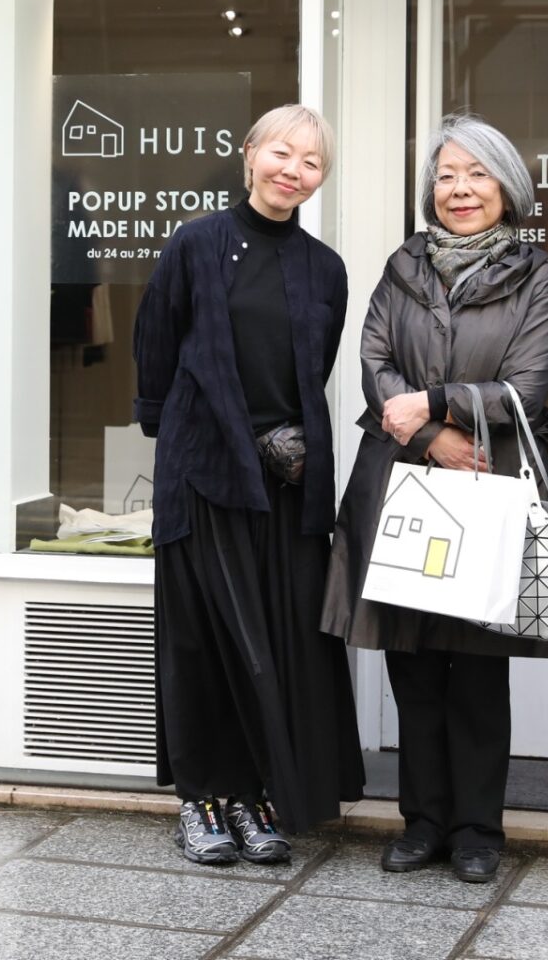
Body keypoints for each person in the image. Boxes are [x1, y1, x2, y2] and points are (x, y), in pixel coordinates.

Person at [322, 114, 548, 886]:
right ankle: (422, 821)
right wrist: (433, 437)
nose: (459, 189)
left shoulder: (538, 278)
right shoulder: (404, 265)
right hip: (406, 480)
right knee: (414, 664)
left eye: (476, 174)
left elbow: (526, 387)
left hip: (489, 485)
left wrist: (434, 403)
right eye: (446, 176)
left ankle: (477, 831)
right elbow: (374, 362)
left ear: (507, 188)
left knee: (478, 672)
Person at [134, 103, 364, 867]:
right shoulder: (195, 244)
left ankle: (253, 796)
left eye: (311, 162)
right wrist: (186, 434)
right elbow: (156, 348)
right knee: (204, 641)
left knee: (276, 641)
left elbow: (312, 372)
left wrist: (283, 443)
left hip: (288, 482)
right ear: (250, 154)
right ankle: (202, 799)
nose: (293, 171)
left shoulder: (324, 268)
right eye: (282, 153)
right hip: (204, 473)